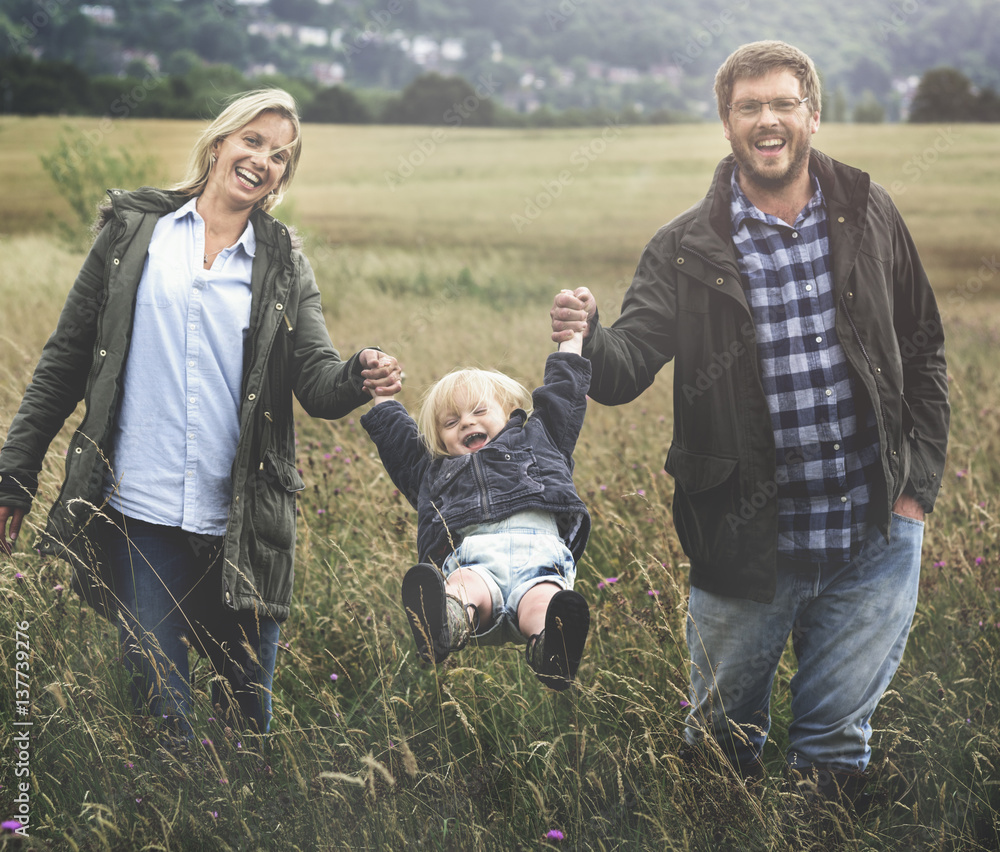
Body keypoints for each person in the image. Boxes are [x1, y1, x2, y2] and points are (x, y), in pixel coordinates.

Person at [551, 41, 949, 804]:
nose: (767, 120)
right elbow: (624, 368)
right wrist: (590, 333)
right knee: (719, 754)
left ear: (813, 114)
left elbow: (924, 345)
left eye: (782, 104)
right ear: (726, 123)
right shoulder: (685, 246)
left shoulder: (868, 208)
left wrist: (914, 494)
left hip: (873, 539)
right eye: (748, 107)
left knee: (835, 755)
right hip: (743, 541)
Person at [0, 89, 401, 737]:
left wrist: (360, 373)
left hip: (241, 527)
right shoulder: (134, 236)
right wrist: (15, 472)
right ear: (219, 143)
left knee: (248, 720)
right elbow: (65, 359)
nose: (263, 159)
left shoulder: (285, 264)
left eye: (280, 156)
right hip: (141, 519)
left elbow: (319, 385)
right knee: (164, 718)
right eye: (253, 141)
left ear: (281, 180)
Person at [360, 314, 592, 691]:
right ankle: (446, 624)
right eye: (450, 423)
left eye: (479, 412)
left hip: (539, 562)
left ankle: (551, 649)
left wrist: (573, 339)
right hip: (475, 562)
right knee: (463, 584)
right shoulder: (434, 472)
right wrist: (384, 397)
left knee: (543, 602)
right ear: (440, 438)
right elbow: (400, 447)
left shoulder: (540, 438)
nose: (466, 423)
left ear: (509, 410)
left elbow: (563, 397)